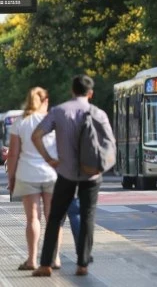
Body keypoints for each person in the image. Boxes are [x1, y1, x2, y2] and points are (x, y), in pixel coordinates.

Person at [31, 74, 112, 277]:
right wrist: (101, 167)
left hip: (65, 173)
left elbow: (36, 135)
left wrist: (49, 159)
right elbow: (110, 144)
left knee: (55, 217)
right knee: (87, 216)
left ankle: (45, 265)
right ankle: (82, 264)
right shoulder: (98, 113)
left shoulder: (59, 111)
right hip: (91, 175)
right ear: (90, 93)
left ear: (72, 90)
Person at [6, 87, 62, 271]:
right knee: (53, 218)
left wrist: (11, 178)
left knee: (32, 219)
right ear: (45, 101)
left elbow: (13, 154)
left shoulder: (20, 122)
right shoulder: (52, 120)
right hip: (52, 174)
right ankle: (55, 258)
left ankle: (32, 260)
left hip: (27, 174)